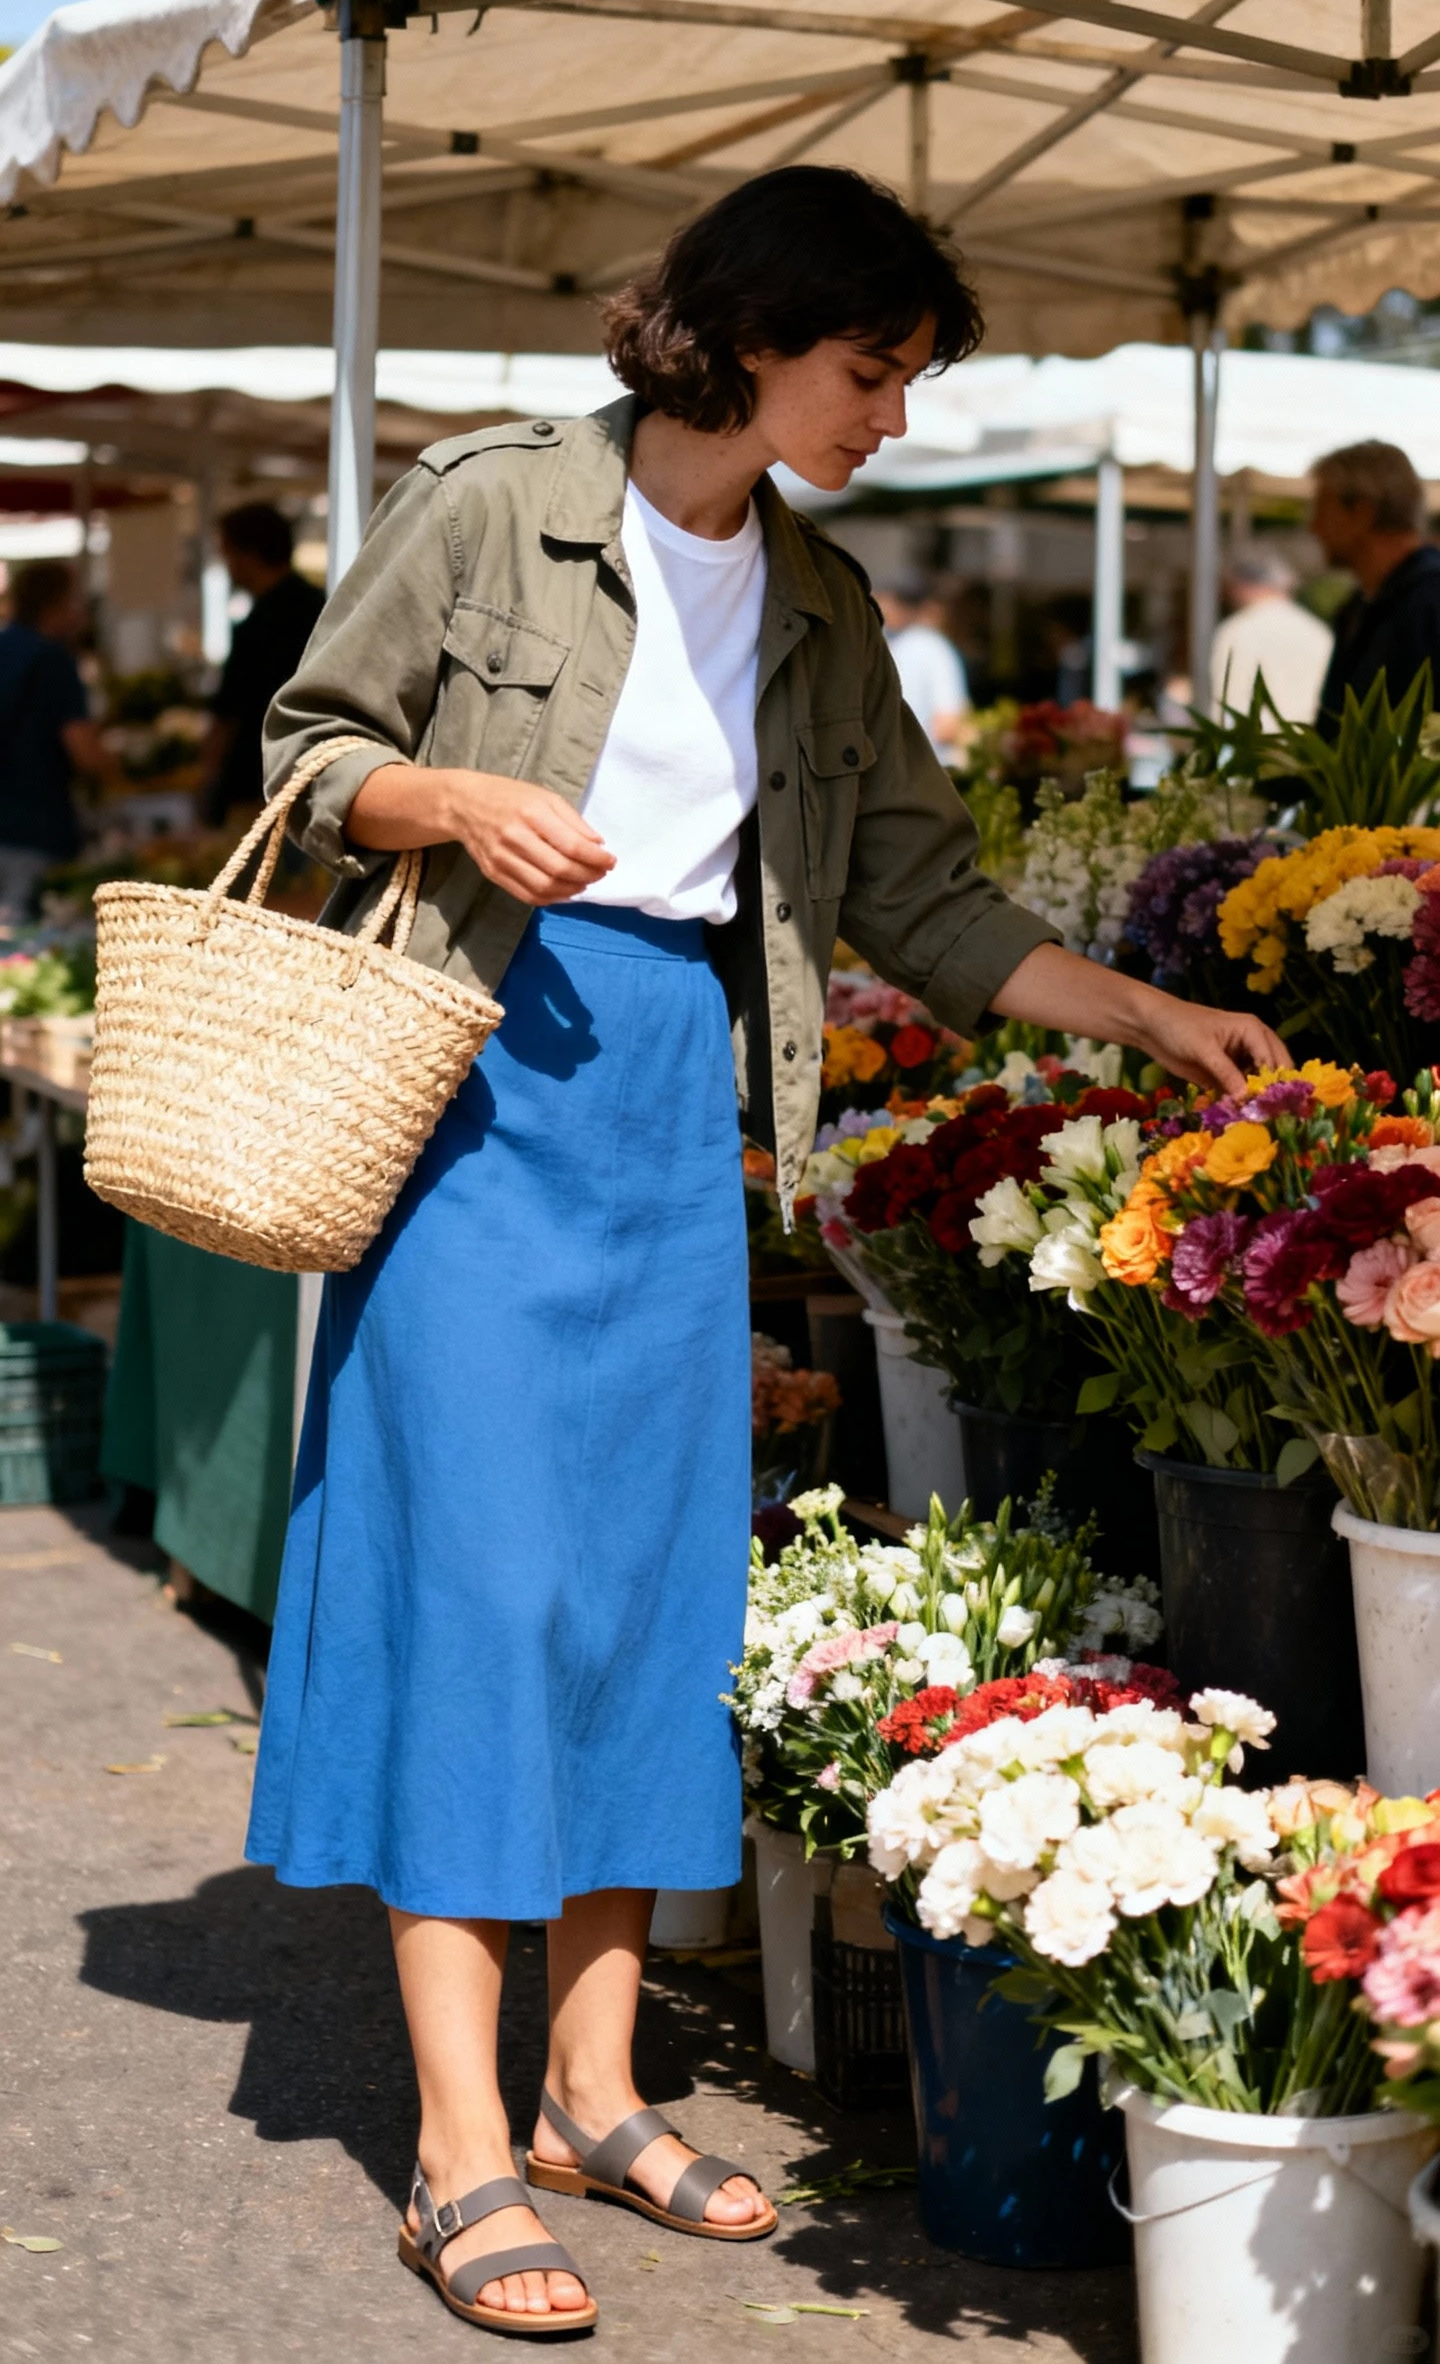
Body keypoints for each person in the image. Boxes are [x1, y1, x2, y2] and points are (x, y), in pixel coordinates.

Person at [248, 165, 1286, 2340]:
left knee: (642, 1589)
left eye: (907, 379)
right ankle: (454, 2146)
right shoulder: (492, 504)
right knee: (485, 1588)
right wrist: (448, 804)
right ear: (743, 334)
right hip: (462, 1077)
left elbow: (919, 894)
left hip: (657, 1100)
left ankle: (592, 2084)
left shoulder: (816, 600)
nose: (891, 414)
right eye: (871, 368)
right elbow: (310, 745)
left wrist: (1150, 1011)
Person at [199, 503, 324, 823]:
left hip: (258, 781)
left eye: (227, 554)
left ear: (249, 555)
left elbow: (228, 713)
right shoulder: (321, 607)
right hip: (316, 774)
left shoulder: (255, 627)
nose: (227, 566)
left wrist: (207, 775)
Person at [0, 561, 106, 924]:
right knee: (27, 949)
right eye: (74, 602)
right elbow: (85, 754)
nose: (80, 613)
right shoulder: (53, 660)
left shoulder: (5, 646)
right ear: (53, 605)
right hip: (38, 828)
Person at [1311, 440, 1440, 722]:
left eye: (1322, 509)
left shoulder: (1429, 602)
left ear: (1361, 512)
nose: (1314, 527)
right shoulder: (1359, 609)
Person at [1210, 549, 1332, 726]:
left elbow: (1229, 700)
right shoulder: (1316, 630)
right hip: (1307, 742)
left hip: (1255, 744)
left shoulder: (1236, 630)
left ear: (1241, 586)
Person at [873, 567, 969, 756]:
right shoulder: (895, 644)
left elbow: (947, 724)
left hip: (917, 767)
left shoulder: (931, 647)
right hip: (904, 765)